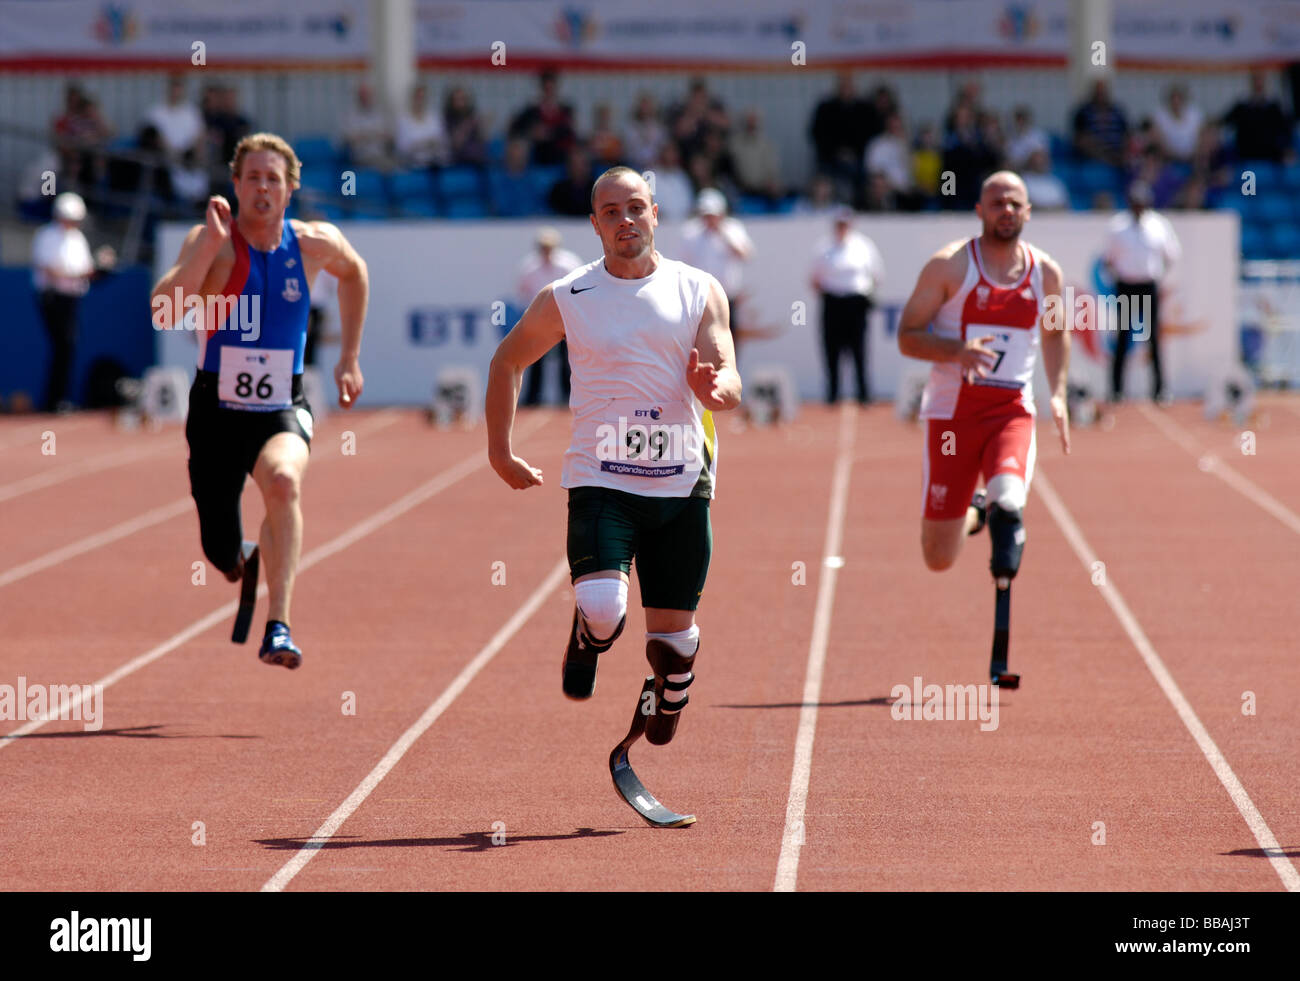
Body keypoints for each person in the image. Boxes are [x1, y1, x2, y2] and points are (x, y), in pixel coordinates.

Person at [485, 166, 741, 759]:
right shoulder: (568, 296)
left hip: (681, 484)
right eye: (611, 212)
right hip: (601, 481)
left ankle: (670, 688)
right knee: (604, 612)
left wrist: (714, 389)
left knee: (673, 651)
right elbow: (506, 363)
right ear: (595, 225)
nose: (625, 220)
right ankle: (587, 634)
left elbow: (728, 375)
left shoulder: (699, 289)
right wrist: (500, 451)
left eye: (635, 208)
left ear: (655, 213)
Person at [151, 132, 369, 669]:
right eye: (253, 177)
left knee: (283, 482)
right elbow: (164, 311)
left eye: (274, 178)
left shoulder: (315, 242)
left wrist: (349, 357)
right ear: (236, 185)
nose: (263, 188)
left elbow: (355, 273)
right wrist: (204, 248)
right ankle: (238, 561)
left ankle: (280, 625)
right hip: (216, 410)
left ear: (291, 188)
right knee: (219, 550)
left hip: (281, 404)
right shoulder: (215, 243)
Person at [897, 171, 1070, 682]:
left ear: (1029, 211)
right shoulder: (951, 266)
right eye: (996, 202)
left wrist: (1056, 392)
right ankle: (975, 513)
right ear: (979, 209)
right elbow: (908, 334)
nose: (1006, 210)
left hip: (1012, 411)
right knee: (938, 558)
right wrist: (956, 351)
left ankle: (997, 516)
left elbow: (1055, 333)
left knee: (1011, 505)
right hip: (951, 419)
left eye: (1015, 202)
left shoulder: (1047, 275)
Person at [32, 192, 115, 412]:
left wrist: (101, 269)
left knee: (68, 346)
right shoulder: (47, 235)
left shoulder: (77, 238)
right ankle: (54, 400)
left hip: (71, 299)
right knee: (63, 344)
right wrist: (77, 276)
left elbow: (85, 271)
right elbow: (49, 270)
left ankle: (60, 398)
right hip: (53, 298)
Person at [1103, 181, 1180, 403]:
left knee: (1153, 338)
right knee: (1122, 338)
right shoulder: (1117, 226)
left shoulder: (1159, 225)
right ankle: (1116, 390)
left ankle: (1159, 390)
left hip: (1148, 286)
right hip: (1126, 286)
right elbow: (1108, 259)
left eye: (1142, 202)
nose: (1139, 207)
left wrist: (1158, 274)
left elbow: (1171, 254)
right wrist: (1120, 275)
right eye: (1135, 203)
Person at [811, 207, 884, 404]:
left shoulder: (864, 246)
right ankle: (832, 393)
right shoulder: (824, 248)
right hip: (832, 302)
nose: (842, 228)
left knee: (860, 349)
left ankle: (864, 394)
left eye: (845, 224)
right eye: (839, 224)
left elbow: (876, 274)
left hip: (856, 302)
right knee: (831, 349)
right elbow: (814, 279)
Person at [677, 188, 753, 355]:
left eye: (713, 214)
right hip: (699, 298)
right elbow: (683, 265)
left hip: (727, 296)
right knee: (700, 338)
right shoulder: (690, 232)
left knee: (730, 338)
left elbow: (745, 254)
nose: (710, 219)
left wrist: (723, 234)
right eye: (706, 215)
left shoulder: (733, 229)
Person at [517, 227, 581, 406]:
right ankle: (532, 398)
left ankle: (567, 397)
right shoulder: (529, 268)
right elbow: (523, 294)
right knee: (535, 359)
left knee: (567, 359)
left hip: (565, 318)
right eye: (543, 246)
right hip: (539, 319)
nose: (546, 250)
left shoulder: (569, 264)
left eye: (549, 246)